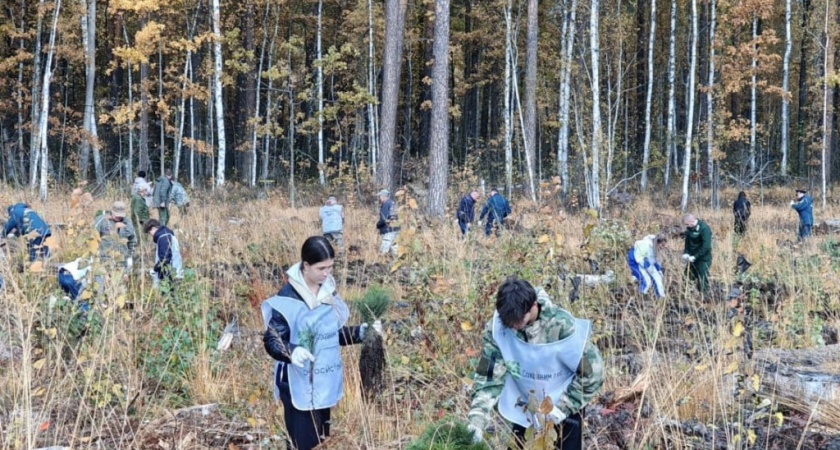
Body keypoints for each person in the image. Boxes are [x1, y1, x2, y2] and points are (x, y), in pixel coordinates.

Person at [261, 236, 382, 450]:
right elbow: (272, 339)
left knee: (322, 440)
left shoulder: (327, 292)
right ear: (305, 265)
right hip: (295, 381)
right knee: (303, 443)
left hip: (323, 379)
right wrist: (292, 351)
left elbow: (329, 335)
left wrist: (360, 333)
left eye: (330, 267)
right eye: (321, 268)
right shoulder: (288, 298)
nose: (326, 273)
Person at [467, 277, 604, 450]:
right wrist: (477, 419)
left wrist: (563, 407)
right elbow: (488, 378)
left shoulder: (562, 327)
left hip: (565, 409)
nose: (513, 327)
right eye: (508, 323)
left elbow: (593, 374)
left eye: (518, 321)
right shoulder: (498, 328)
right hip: (525, 409)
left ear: (533, 306)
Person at [94, 201, 137, 269]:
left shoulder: (127, 222)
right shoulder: (102, 220)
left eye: (121, 215)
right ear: (112, 211)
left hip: (122, 260)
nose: (118, 216)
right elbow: (93, 237)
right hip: (105, 259)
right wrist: (95, 256)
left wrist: (130, 256)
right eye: (117, 214)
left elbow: (132, 239)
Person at [142, 218, 183, 288]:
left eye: (149, 232)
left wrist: (155, 269)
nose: (151, 235)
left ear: (154, 228)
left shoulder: (163, 238)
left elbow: (164, 259)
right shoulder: (168, 235)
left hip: (170, 276)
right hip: (176, 273)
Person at [627, 234, 667, 298]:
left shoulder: (656, 249)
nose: (663, 247)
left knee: (658, 278)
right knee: (646, 281)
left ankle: (661, 296)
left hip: (647, 262)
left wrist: (658, 269)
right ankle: (640, 297)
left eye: (664, 245)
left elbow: (654, 260)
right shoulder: (645, 245)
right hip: (635, 261)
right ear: (657, 242)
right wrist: (647, 266)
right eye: (662, 245)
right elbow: (638, 258)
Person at [681, 214, 712, 293]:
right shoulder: (689, 229)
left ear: (692, 221)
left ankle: (703, 296)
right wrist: (686, 253)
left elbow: (706, 247)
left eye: (687, 224)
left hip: (703, 259)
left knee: (702, 278)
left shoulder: (704, 229)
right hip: (692, 259)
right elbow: (687, 243)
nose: (686, 226)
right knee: (686, 277)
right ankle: (685, 294)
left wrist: (695, 256)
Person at [376, 189, 400, 255]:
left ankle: (381, 264)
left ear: (383, 196)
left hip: (388, 230)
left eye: (380, 196)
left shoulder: (386, 204)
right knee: (394, 250)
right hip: (396, 228)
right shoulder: (392, 203)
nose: (380, 198)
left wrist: (378, 225)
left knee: (383, 251)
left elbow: (384, 219)